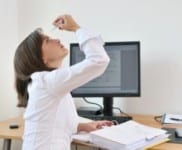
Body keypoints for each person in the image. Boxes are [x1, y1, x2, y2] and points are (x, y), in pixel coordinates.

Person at [14, 14, 113, 150]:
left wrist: (83, 126)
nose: (57, 39)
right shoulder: (46, 82)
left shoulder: (48, 84)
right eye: (47, 41)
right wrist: (75, 28)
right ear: (41, 58)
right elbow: (99, 60)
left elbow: (55, 122)